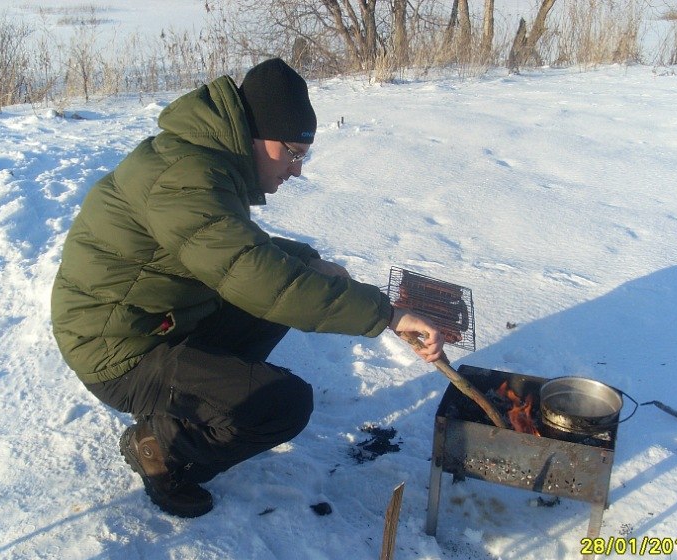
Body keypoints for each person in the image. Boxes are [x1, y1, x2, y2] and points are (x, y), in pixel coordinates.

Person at [51, 58, 445, 518]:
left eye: (304, 156)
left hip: (154, 321)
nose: (296, 170)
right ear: (255, 137)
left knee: (274, 301)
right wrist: (387, 315)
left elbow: (232, 247)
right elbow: (258, 275)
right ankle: (160, 448)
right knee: (283, 404)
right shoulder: (184, 178)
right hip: (119, 351)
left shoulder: (201, 160)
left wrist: (308, 262)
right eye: (293, 153)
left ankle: (198, 405)